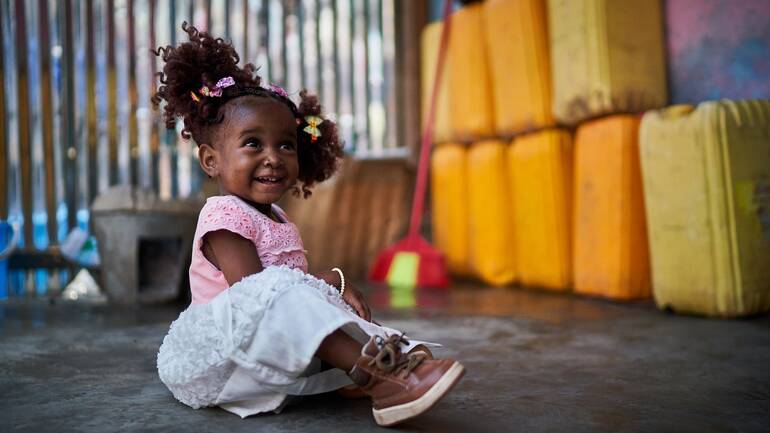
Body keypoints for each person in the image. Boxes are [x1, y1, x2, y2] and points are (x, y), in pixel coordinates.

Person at [153, 22, 464, 427]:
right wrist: (323, 283)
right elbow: (258, 297)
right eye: (253, 144)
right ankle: (383, 378)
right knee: (295, 293)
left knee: (321, 296)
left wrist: (329, 288)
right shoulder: (223, 216)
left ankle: (383, 360)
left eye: (286, 144)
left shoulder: (278, 218)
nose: (273, 157)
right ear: (211, 160)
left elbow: (290, 300)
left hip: (262, 351)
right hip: (226, 361)